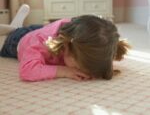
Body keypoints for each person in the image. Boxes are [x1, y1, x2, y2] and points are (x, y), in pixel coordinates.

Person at [0, 15, 130, 82]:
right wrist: (63, 71)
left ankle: (17, 27)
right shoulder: (40, 43)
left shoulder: (81, 39)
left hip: (46, 30)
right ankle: (10, 29)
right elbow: (27, 71)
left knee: (34, 28)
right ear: (67, 47)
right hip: (18, 40)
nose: (77, 70)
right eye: (78, 67)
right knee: (10, 36)